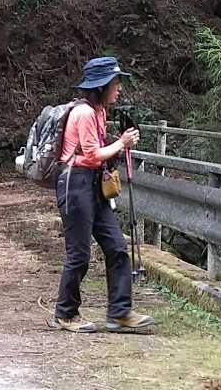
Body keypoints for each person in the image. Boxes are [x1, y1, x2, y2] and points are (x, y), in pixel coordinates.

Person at [51, 55, 154, 335]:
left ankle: (119, 314)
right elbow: (93, 154)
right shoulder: (84, 113)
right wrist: (122, 142)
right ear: (101, 85)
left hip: (95, 184)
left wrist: (120, 143)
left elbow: (99, 151)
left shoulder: (99, 111)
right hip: (75, 184)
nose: (119, 88)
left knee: (117, 247)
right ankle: (65, 314)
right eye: (115, 82)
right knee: (79, 254)